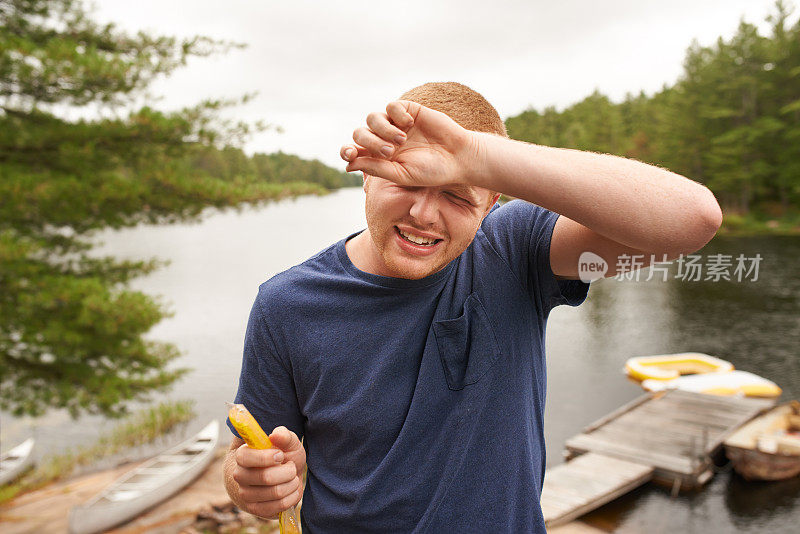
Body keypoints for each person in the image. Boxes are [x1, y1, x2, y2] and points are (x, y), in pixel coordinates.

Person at [223, 82, 722, 533]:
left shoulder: (515, 251)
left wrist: (476, 155)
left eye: (458, 196)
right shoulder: (286, 304)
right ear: (367, 175)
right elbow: (249, 462)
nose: (423, 214)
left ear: (491, 202)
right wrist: (252, 483)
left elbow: (692, 220)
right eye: (406, 182)